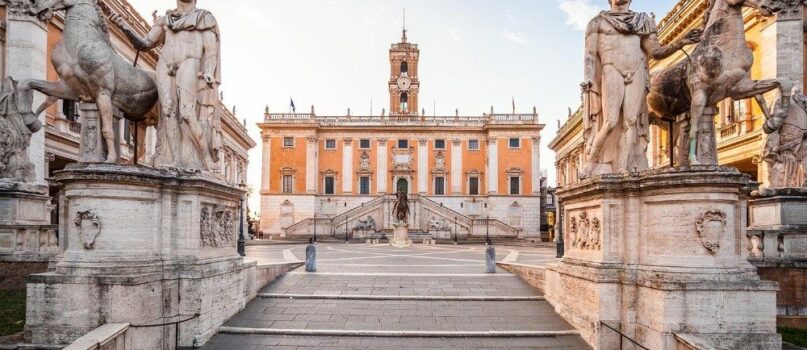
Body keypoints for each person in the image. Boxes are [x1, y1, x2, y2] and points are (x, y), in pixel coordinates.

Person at [581, 0, 700, 177]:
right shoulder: (597, 22)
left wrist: (681, 42)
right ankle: (592, 162)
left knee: (631, 121)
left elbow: (656, 52)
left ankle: (622, 166)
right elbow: (590, 55)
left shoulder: (642, 22)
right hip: (611, 69)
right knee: (611, 121)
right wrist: (589, 78)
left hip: (636, 70)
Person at [110, 0, 222, 171]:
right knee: (167, 111)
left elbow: (211, 51)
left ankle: (204, 157)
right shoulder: (165, 20)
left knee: (186, 112)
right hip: (165, 64)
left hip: (189, 63)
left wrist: (208, 70)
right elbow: (145, 44)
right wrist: (124, 27)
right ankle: (174, 159)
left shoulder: (204, 18)